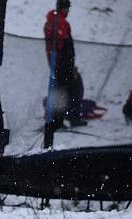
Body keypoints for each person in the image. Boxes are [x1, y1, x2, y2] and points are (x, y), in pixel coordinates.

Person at [44, 0, 87, 129]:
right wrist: (68, 64)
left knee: (62, 90)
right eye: (67, 8)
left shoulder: (51, 21)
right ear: (62, 8)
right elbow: (64, 45)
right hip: (62, 63)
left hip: (57, 62)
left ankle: (59, 120)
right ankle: (68, 119)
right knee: (72, 89)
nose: (68, 11)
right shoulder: (61, 23)